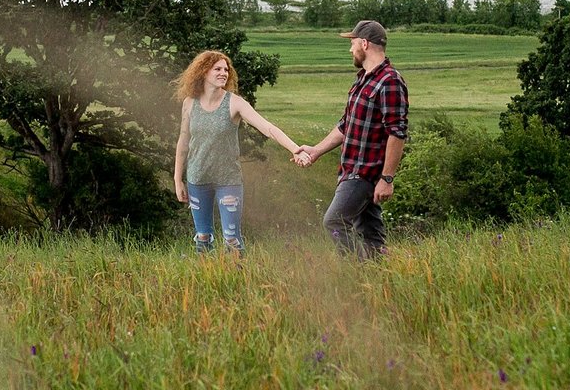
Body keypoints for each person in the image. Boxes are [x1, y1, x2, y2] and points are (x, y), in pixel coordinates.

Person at [293, 18, 407, 258]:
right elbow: (346, 125)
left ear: (364, 44)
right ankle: (381, 277)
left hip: (366, 174)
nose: (350, 49)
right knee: (371, 235)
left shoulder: (390, 81)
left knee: (334, 222)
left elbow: (396, 133)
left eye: (352, 43)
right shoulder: (363, 79)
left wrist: (387, 178)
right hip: (350, 169)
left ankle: (359, 269)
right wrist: (315, 151)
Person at [171, 49, 300, 255]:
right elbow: (183, 142)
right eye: (217, 69)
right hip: (197, 179)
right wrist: (178, 179)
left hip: (228, 180)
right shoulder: (189, 104)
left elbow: (267, 127)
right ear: (203, 72)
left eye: (226, 69)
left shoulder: (234, 103)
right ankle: (207, 281)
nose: (224, 73)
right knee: (202, 237)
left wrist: (294, 148)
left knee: (231, 238)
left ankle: (238, 277)